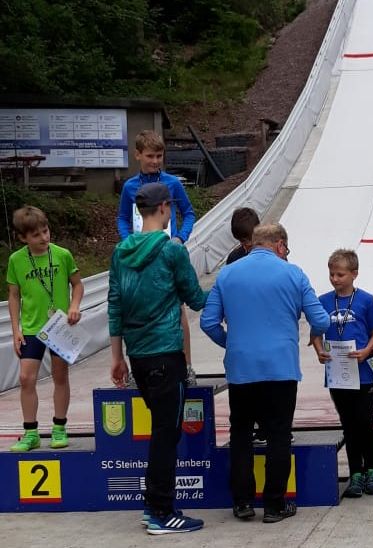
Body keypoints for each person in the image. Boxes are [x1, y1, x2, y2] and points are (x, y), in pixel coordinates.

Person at [200, 223, 329, 523]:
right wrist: (311, 335)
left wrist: (231, 343)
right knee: (278, 434)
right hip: (280, 367)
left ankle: (242, 502)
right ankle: (274, 505)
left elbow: (208, 322)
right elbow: (321, 320)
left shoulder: (228, 274)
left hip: (241, 368)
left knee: (241, 433)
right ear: (280, 245)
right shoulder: (294, 274)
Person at [108, 183, 208, 535]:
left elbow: (115, 306)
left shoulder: (120, 252)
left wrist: (117, 357)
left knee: (160, 431)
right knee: (166, 435)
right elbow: (195, 299)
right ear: (165, 208)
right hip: (166, 352)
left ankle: (155, 507)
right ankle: (161, 512)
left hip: (137, 356)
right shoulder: (171, 250)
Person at [116, 129, 198, 385]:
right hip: (139, 254)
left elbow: (189, 212)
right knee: (136, 307)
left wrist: (180, 237)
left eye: (159, 156)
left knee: (178, 308)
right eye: (150, 156)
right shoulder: (130, 187)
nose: (155, 161)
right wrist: (128, 240)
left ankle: (186, 366)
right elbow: (122, 218)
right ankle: (136, 367)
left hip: (167, 252)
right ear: (138, 155)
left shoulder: (172, 183)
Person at [6, 206, 83, 452]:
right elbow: (14, 295)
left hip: (59, 326)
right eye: (36, 235)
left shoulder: (62, 255)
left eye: (46, 231)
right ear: (23, 238)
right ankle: (31, 433)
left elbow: (77, 285)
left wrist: (74, 306)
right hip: (31, 328)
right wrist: (16, 330)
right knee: (26, 378)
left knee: (60, 376)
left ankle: (59, 427)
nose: (44, 237)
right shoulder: (16, 260)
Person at [311, 249, 373, 497]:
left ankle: (371, 469)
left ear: (354, 274)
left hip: (362, 371)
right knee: (349, 424)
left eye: (340, 274)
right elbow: (316, 333)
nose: (335, 279)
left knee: (365, 421)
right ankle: (356, 473)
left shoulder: (366, 300)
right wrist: (320, 351)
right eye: (332, 274)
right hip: (337, 373)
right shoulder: (323, 301)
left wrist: (367, 351)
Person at [223, 206, 265, 445]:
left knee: (267, 384)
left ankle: (269, 428)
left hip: (266, 330)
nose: (247, 246)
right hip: (242, 333)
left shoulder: (274, 255)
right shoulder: (234, 258)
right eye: (242, 242)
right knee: (245, 384)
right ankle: (246, 429)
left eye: (249, 240)